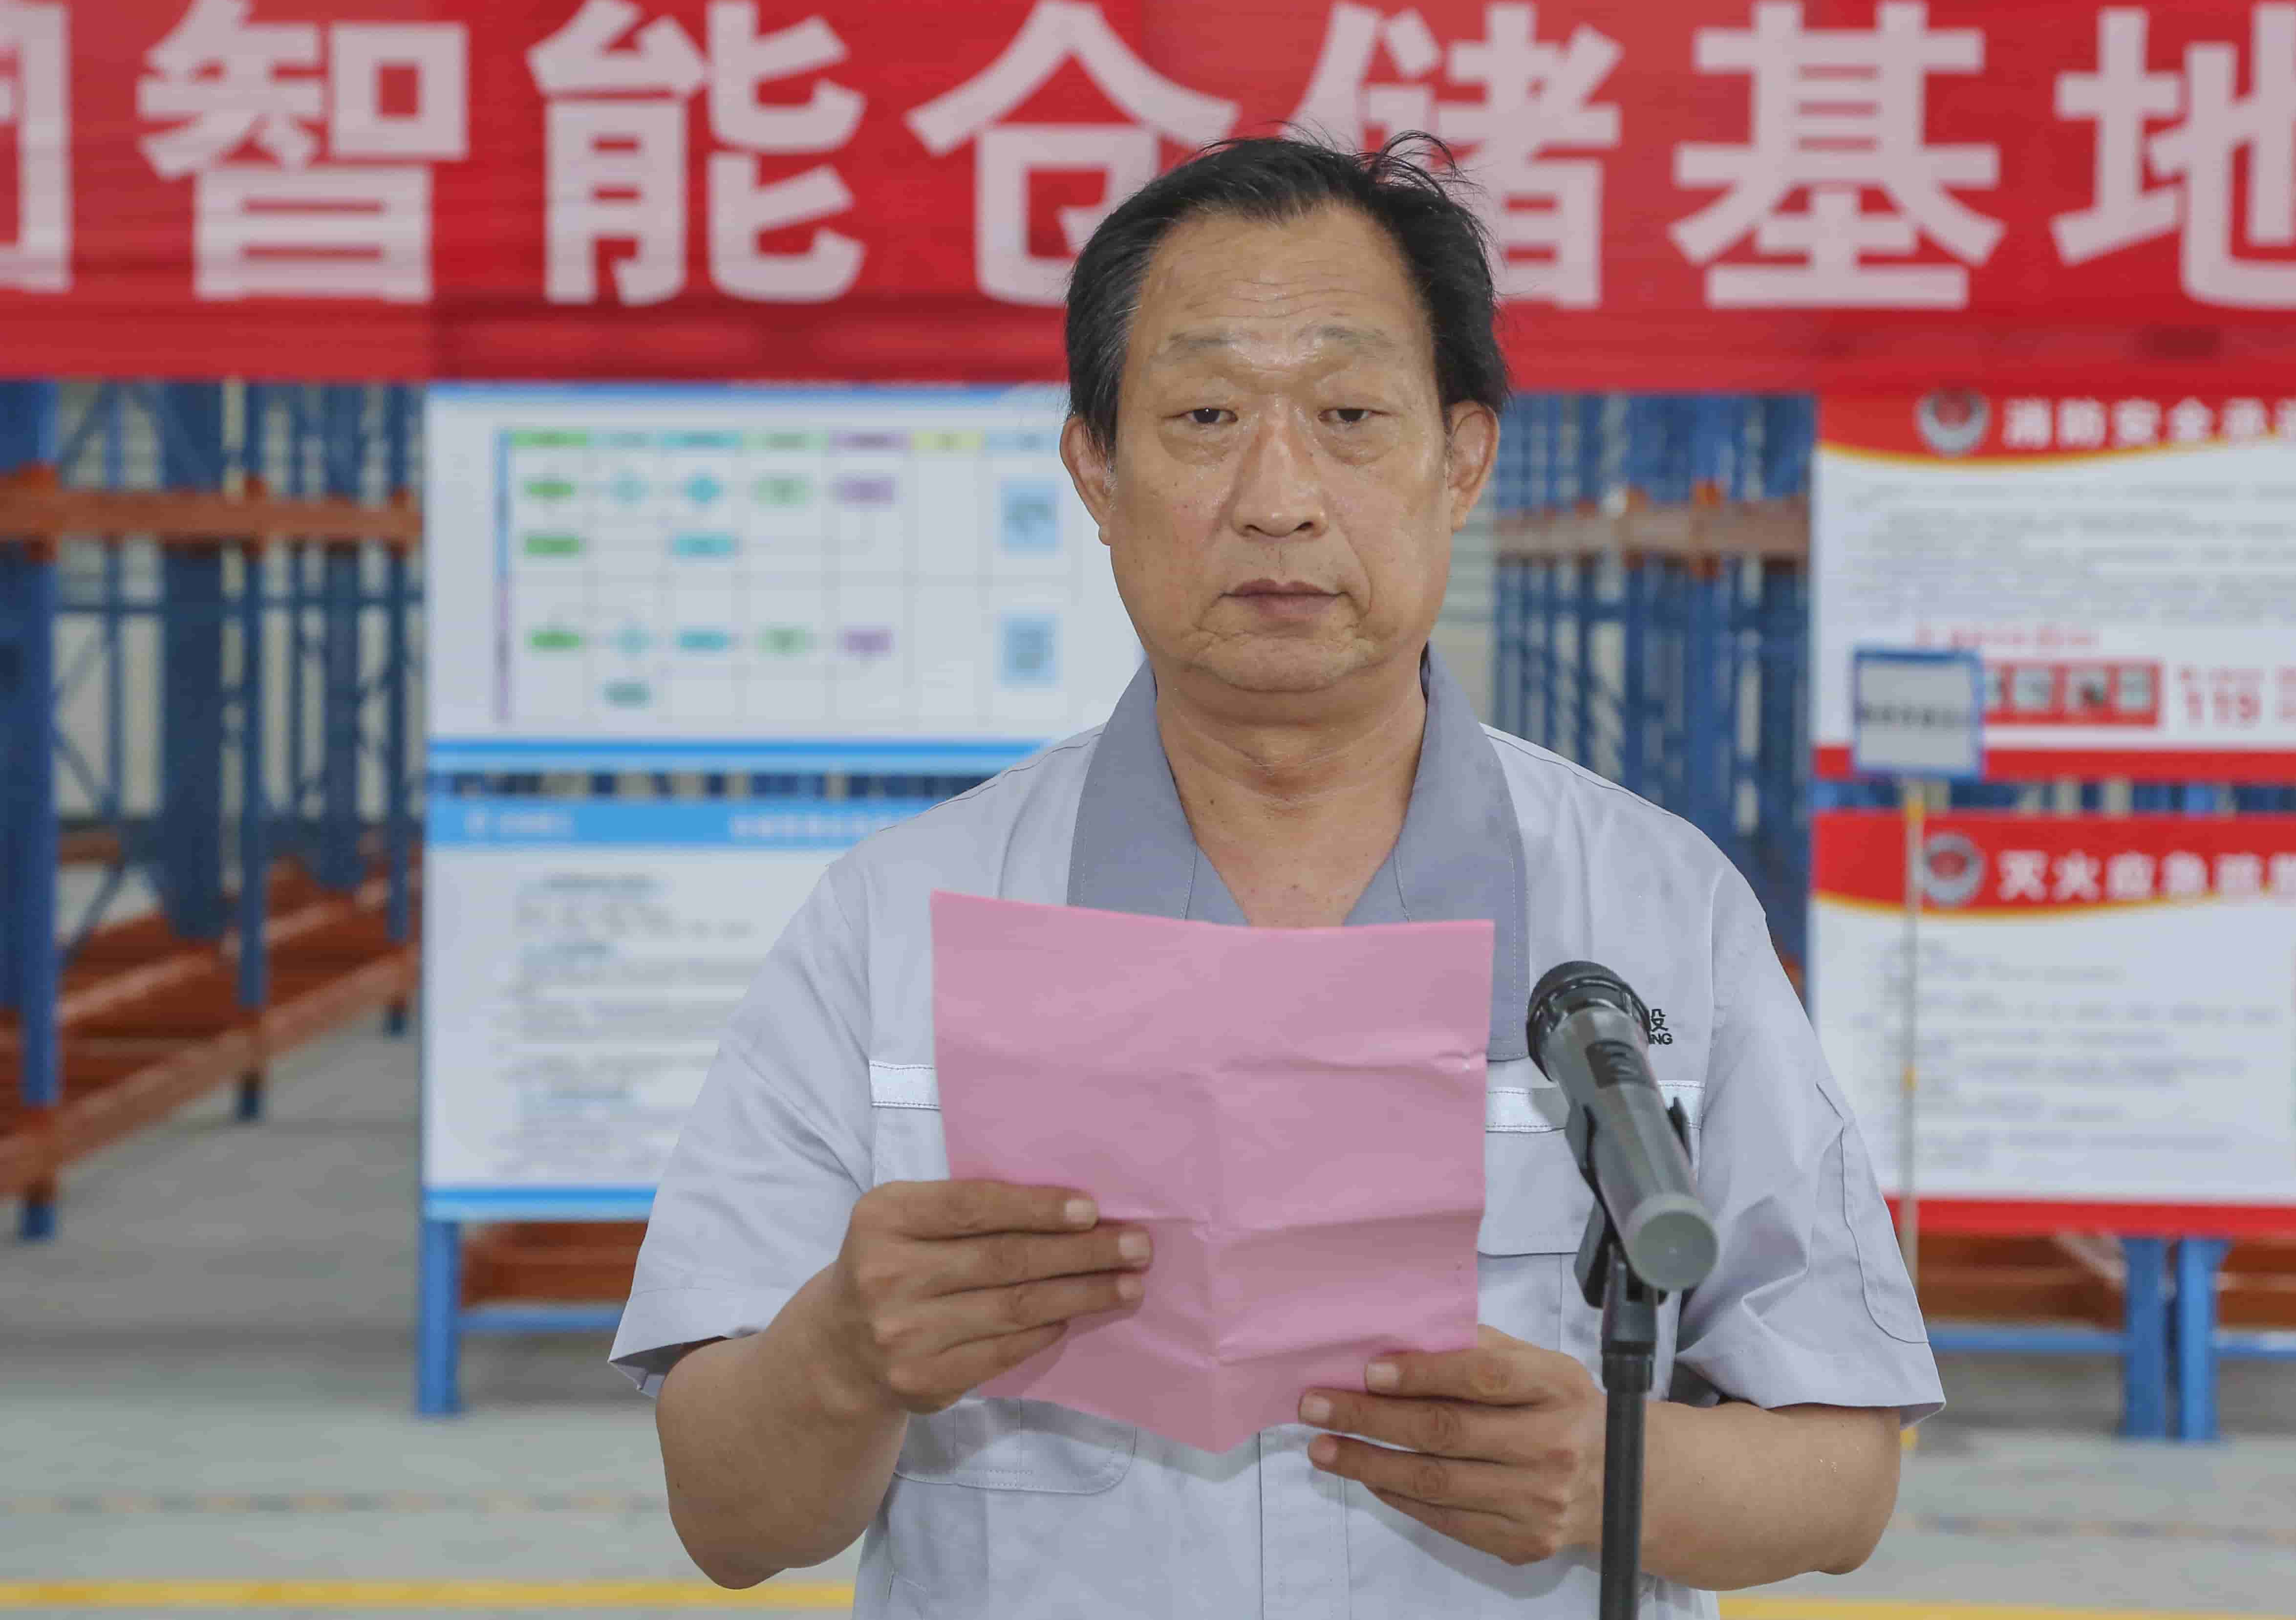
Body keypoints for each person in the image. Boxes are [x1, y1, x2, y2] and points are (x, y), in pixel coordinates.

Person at [610, 134, 1941, 1619]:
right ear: (1096, 470)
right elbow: (726, 1516)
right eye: (1204, 416)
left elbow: (1845, 1467)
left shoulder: (1655, 910)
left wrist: (1621, 1479)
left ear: (1463, 460)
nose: (1280, 497)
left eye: (1351, 414)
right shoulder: (896, 923)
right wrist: (843, 1357)